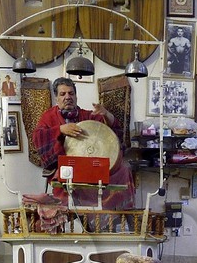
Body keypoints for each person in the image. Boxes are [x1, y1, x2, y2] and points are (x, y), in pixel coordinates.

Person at [29, 76, 133, 208]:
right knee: (62, 176)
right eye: (63, 94)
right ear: (57, 98)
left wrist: (106, 114)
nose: (68, 97)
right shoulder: (49, 116)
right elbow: (38, 136)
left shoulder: (87, 116)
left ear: (76, 97)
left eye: (71, 93)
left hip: (90, 166)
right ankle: (69, 216)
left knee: (124, 169)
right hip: (65, 166)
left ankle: (113, 216)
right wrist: (60, 129)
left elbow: (112, 132)